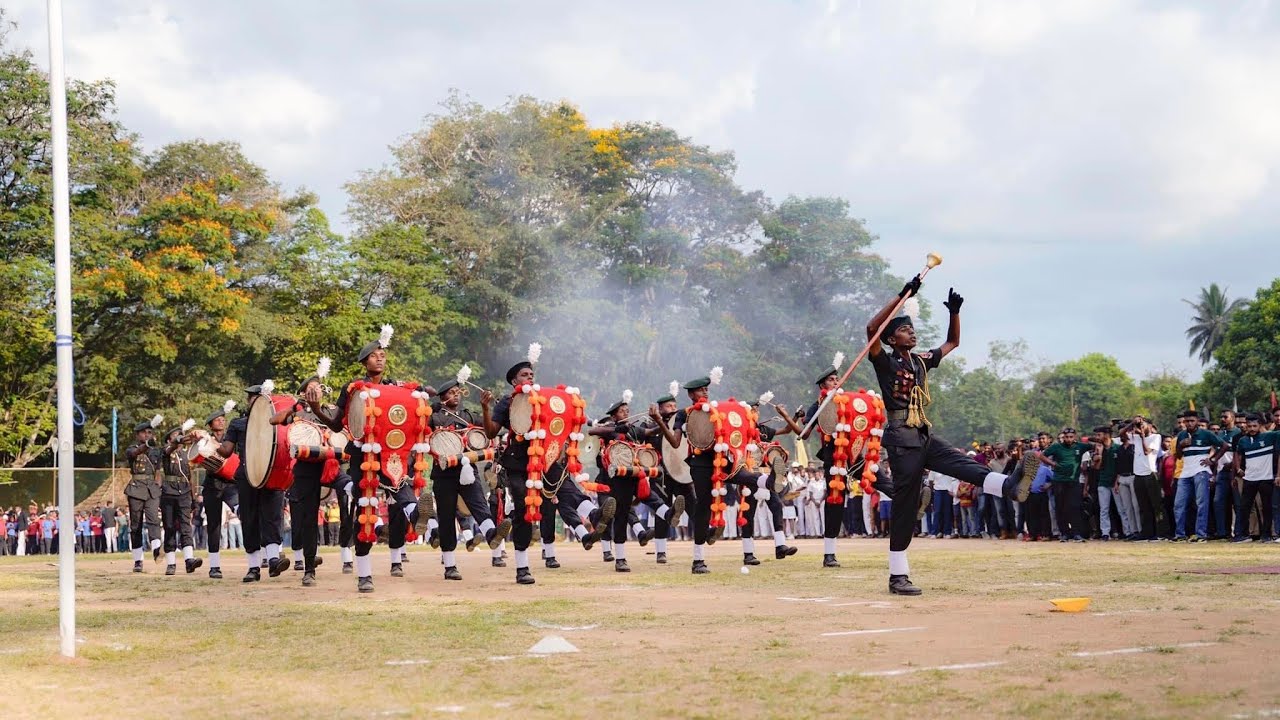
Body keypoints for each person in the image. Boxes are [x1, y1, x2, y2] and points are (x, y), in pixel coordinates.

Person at [863, 278, 1021, 595]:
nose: (913, 333)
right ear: (893, 339)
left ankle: (1008, 486)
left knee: (960, 463)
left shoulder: (920, 361)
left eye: (912, 329)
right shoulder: (884, 361)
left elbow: (952, 343)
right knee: (905, 505)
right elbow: (871, 329)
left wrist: (954, 313)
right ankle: (898, 576)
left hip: (923, 434)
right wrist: (902, 296)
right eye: (905, 330)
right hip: (900, 439)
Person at [310, 327, 424, 593]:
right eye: (374, 356)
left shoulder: (397, 388)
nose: (380, 359)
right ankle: (364, 574)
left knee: (404, 490)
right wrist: (316, 409)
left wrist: (422, 392)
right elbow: (338, 424)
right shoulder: (352, 389)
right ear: (365, 363)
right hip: (363, 456)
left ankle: (421, 518)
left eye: (382, 354)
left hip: (392, 454)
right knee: (366, 513)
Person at [426, 377, 512, 581]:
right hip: (443, 472)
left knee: (479, 505)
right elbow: (417, 421)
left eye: (458, 391)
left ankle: (492, 535)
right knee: (446, 517)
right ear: (442, 396)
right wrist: (431, 407)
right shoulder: (435, 416)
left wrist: (486, 407)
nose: (456, 394)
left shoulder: (468, 415)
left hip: (467, 469)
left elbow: (492, 428)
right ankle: (449, 565)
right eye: (451, 392)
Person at [485, 347, 546, 585]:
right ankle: (522, 568)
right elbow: (491, 431)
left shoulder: (542, 399)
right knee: (522, 503)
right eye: (524, 375)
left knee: (563, 493)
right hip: (517, 462)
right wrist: (485, 408)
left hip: (541, 460)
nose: (529, 378)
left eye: (531, 374)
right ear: (514, 381)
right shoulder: (506, 403)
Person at [279, 362, 343, 587]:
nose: (317, 390)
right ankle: (309, 568)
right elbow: (273, 420)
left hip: (333, 464)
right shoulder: (298, 413)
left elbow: (341, 430)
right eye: (311, 388)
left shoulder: (331, 410)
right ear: (305, 393)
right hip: (307, 468)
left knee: (350, 492)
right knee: (307, 519)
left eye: (319, 387)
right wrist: (291, 408)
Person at [218, 386, 291, 582]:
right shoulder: (239, 423)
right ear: (250, 402)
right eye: (253, 399)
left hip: (272, 473)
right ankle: (253, 567)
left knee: (273, 518)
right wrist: (211, 443)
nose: (256, 402)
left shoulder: (277, 422)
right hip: (247, 475)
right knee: (250, 519)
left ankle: (274, 559)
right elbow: (226, 451)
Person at [200, 402, 240, 579]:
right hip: (213, 485)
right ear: (211, 425)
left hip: (232, 484)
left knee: (244, 512)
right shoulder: (204, 441)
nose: (222, 422)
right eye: (217, 420)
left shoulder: (232, 437)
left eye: (223, 419)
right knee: (214, 525)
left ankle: (261, 555)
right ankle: (214, 566)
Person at [1173, 411, 1228, 542]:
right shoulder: (1181, 435)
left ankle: (1201, 534)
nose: (1189, 423)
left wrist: (1213, 460)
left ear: (1197, 421)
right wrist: (1181, 445)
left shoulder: (1206, 434)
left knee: (1201, 504)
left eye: (1192, 421)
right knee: (1178, 504)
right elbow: (1178, 456)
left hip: (1201, 471)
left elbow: (1225, 446)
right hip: (1185, 473)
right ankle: (1180, 534)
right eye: (1187, 421)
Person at [159, 424, 203, 575]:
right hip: (169, 493)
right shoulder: (166, 451)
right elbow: (168, 450)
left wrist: (193, 499)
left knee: (186, 526)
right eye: (175, 434)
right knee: (169, 527)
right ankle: (171, 563)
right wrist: (175, 442)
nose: (179, 436)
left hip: (184, 492)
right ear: (169, 438)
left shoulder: (186, 454)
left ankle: (189, 560)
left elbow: (190, 478)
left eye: (180, 434)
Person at [124, 416, 164, 572]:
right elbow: (135, 453)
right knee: (136, 525)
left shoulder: (156, 450)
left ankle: (156, 549)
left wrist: (158, 486)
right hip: (136, 488)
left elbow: (158, 471)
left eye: (149, 432)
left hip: (152, 488)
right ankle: (138, 560)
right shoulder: (131, 448)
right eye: (144, 433)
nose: (147, 435)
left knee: (154, 519)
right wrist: (147, 445)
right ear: (138, 435)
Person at [1231, 414, 1278, 542]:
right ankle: (1244, 535)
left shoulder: (1270, 436)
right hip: (1249, 478)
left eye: (1254, 426)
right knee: (1244, 507)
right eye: (1249, 426)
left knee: (1266, 507)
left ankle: (1266, 535)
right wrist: (1239, 468)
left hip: (1266, 477)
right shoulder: (1243, 440)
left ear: (1260, 426)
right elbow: (1238, 453)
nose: (1251, 428)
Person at [1213, 410, 1243, 540]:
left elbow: (1240, 454)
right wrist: (1214, 474)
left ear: (1233, 418)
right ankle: (1222, 533)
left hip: (1235, 473)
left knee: (1237, 503)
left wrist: (1233, 465)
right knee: (1218, 502)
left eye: (1225, 417)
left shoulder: (1238, 433)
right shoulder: (1219, 434)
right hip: (1221, 473)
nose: (1223, 419)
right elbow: (1216, 453)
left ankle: (1239, 532)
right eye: (1221, 416)